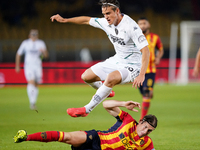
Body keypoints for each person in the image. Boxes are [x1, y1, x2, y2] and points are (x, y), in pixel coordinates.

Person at [50, 0, 150, 117]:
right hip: (117, 60)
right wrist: (65, 20)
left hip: (133, 66)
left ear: (117, 11)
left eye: (108, 13)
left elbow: (146, 50)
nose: (106, 17)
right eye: (104, 14)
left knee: (111, 78)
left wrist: (142, 74)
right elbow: (86, 20)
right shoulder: (106, 22)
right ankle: (105, 91)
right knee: (86, 76)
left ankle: (87, 109)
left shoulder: (131, 27)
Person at [14, 99, 158, 150]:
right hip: (96, 138)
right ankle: (26, 137)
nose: (145, 132)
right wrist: (123, 104)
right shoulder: (128, 120)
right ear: (141, 122)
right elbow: (106, 104)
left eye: (149, 131)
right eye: (145, 127)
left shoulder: (146, 144)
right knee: (67, 137)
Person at [137, 17, 164, 120]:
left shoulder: (155, 37)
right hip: (138, 71)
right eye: (140, 24)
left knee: (146, 94)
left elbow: (160, 50)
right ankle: (148, 91)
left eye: (144, 23)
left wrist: (158, 57)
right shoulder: (135, 37)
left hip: (150, 70)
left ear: (148, 25)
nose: (142, 25)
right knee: (145, 94)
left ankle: (142, 119)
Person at [15, 29, 48, 110]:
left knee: (36, 84)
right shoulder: (25, 43)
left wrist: (43, 52)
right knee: (31, 81)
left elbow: (46, 56)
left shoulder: (41, 43)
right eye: (32, 34)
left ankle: (33, 102)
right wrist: (17, 66)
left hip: (38, 66)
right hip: (29, 66)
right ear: (29, 35)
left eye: (35, 34)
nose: (34, 36)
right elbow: (18, 54)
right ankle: (32, 102)